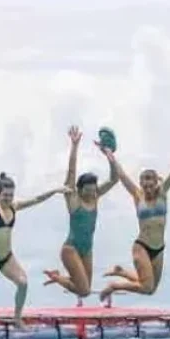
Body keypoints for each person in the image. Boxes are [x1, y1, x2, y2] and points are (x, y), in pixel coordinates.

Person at [0, 166, 70, 327]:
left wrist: (56, 190)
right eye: (5, 195)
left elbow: (36, 199)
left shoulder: (14, 207)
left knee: (23, 283)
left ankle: (17, 318)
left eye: (11, 195)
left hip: (7, 258)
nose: (8, 198)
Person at [98, 131, 170, 300]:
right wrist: (109, 154)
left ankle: (121, 272)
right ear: (140, 184)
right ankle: (113, 286)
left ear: (156, 181)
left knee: (150, 289)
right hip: (142, 247)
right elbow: (122, 175)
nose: (146, 183)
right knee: (146, 286)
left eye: (149, 180)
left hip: (159, 249)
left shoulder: (163, 194)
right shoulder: (137, 196)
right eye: (143, 180)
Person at [43, 125, 121, 299]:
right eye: (88, 191)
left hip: (87, 249)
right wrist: (75, 145)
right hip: (71, 249)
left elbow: (115, 179)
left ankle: (56, 276)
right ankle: (57, 277)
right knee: (84, 291)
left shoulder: (95, 196)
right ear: (79, 189)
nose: (92, 193)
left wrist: (110, 155)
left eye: (94, 190)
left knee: (83, 289)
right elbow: (71, 173)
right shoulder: (73, 198)